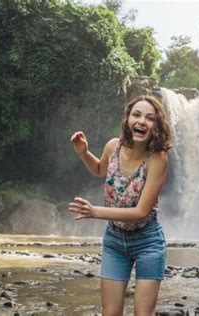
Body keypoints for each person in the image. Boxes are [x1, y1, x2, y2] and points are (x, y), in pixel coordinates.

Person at [68, 95, 172, 316]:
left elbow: (141, 211)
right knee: (111, 313)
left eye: (149, 118)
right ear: (127, 120)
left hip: (148, 241)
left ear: (157, 126)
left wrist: (96, 211)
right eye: (136, 115)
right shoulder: (113, 146)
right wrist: (84, 153)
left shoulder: (158, 159)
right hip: (115, 241)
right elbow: (99, 170)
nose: (142, 121)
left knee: (143, 314)